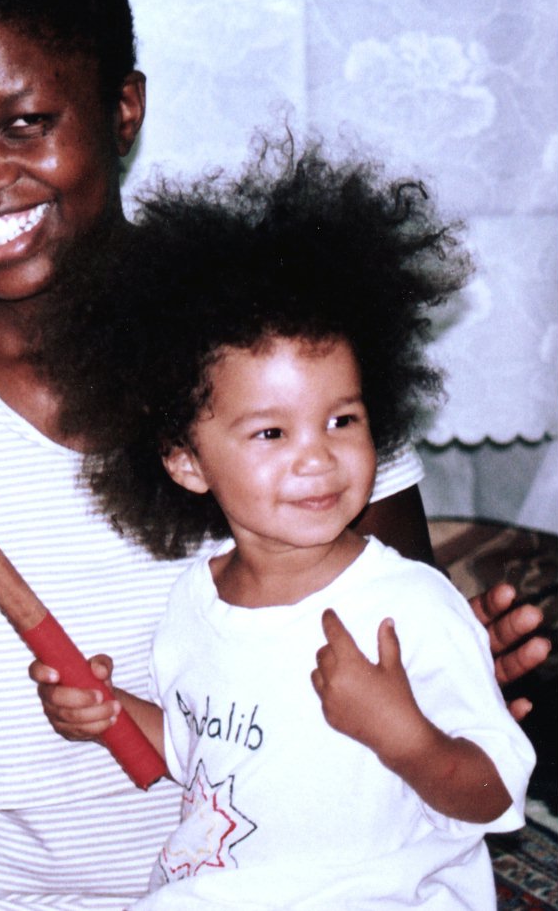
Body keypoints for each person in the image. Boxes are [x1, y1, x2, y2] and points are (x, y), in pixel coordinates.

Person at [0, 0, 547, 908]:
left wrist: (439, 670)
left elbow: (378, 587)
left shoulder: (266, 337)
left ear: (121, 109)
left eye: (24, 124)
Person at [31, 142, 534, 908]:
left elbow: (493, 791)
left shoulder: (408, 605)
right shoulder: (193, 600)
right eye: (271, 433)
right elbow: (209, 753)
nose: (317, 459)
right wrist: (111, 715)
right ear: (186, 461)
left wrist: (404, 736)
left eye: (341, 419)